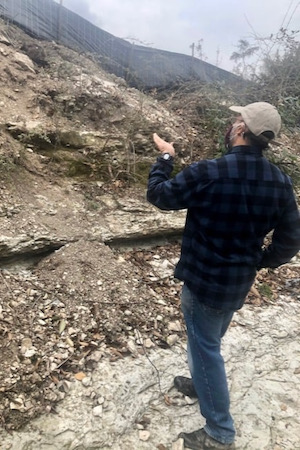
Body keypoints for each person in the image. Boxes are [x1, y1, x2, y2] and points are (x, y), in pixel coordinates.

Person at [147, 102, 300, 450]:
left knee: (206, 348)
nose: (231, 124)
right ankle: (201, 387)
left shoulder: (208, 171)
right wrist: (259, 261)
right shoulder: (280, 182)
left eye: (236, 120)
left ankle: (219, 433)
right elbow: (290, 241)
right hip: (237, 283)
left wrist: (166, 159)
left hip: (202, 282)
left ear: (242, 130)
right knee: (209, 340)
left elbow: (159, 195)